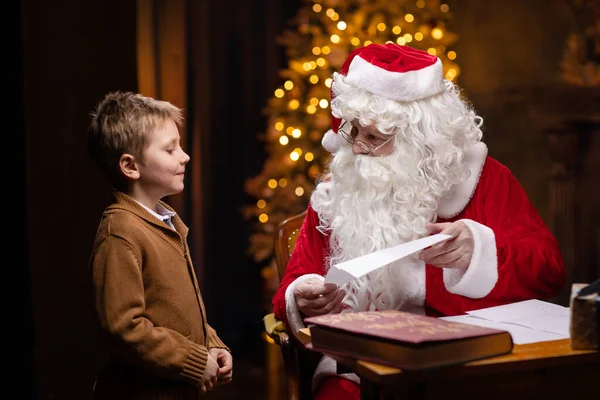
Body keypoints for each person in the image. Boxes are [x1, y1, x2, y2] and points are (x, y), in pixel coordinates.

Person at [271, 43, 566, 399]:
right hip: (358, 370)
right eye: (352, 131)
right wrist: (301, 298)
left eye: (375, 138)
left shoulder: (483, 180)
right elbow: (295, 283)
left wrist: (480, 251)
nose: (358, 148)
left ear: (420, 142)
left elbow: (550, 271)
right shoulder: (340, 189)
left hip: (466, 367)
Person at [87, 91, 233, 399]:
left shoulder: (164, 222)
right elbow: (124, 327)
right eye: (170, 149)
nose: (185, 156)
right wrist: (192, 361)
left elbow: (180, 312)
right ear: (130, 166)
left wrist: (212, 345)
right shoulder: (121, 231)